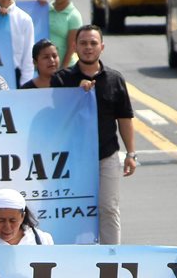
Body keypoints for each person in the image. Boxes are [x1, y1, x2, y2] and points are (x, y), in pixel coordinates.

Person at [51, 25, 136, 245]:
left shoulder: (115, 79)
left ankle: (111, 257)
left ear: (102, 47)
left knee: (109, 208)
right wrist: (75, 94)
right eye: (83, 43)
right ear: (74, 46)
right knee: (73, 209)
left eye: (93, 43)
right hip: (72, 159)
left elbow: (125, 118)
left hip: (106, 155)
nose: (88, 48)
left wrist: (131, 153)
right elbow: (57, 117)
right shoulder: (61, 79)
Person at [45, 0, 83, 68]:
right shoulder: (45, 10)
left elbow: (71, 47)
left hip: (64, 66)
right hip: (44, 67)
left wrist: (63, 70)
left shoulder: (73, 16)